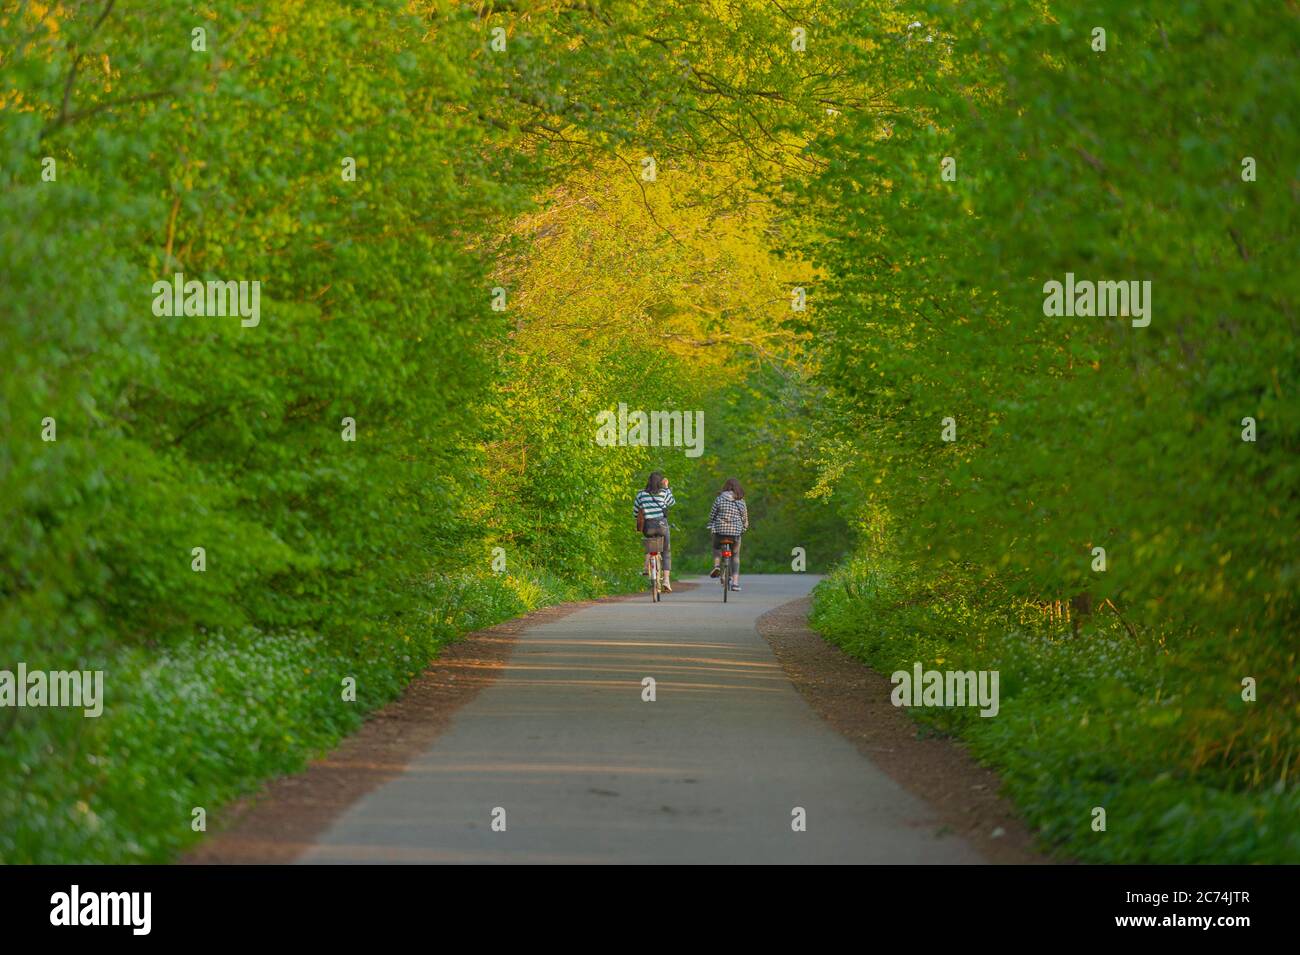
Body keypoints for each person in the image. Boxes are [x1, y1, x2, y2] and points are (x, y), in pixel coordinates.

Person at [633, 471, 676, 592]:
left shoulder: (641, 494)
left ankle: (647, 565)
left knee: (651, 545)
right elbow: (672, 502)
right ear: (660, 482)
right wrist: (667, 487)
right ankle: (666, 580)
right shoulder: (663, 493)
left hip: (648, 526)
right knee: (666, 551)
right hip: (662, 525)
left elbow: (635, 512)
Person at [707, 478, 748, 591]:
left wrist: (710, 524)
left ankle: (716, 566)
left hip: (720, 531)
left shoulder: (719, 498)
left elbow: (712, 514)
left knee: (716, 547)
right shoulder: (741, 501)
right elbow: (744, 518)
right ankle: (735, 583)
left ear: (725, 487)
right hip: (735, 532)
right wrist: (744, 527)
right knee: (735, 555)